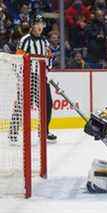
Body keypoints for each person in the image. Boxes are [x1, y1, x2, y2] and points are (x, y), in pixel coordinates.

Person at [9, 14, 57, 143]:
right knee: (22, 104)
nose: (40, 27)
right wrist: (21, 77)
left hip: (41, 76)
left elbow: (49, 58)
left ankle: (44, 132)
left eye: (42, 24)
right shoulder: (25, 40)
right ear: (32, 25)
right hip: (28, 76)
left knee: (47, 104)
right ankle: (13, 132)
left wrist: (49, 63)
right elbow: (18, 59)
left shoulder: (45, 41)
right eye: (37, 24)